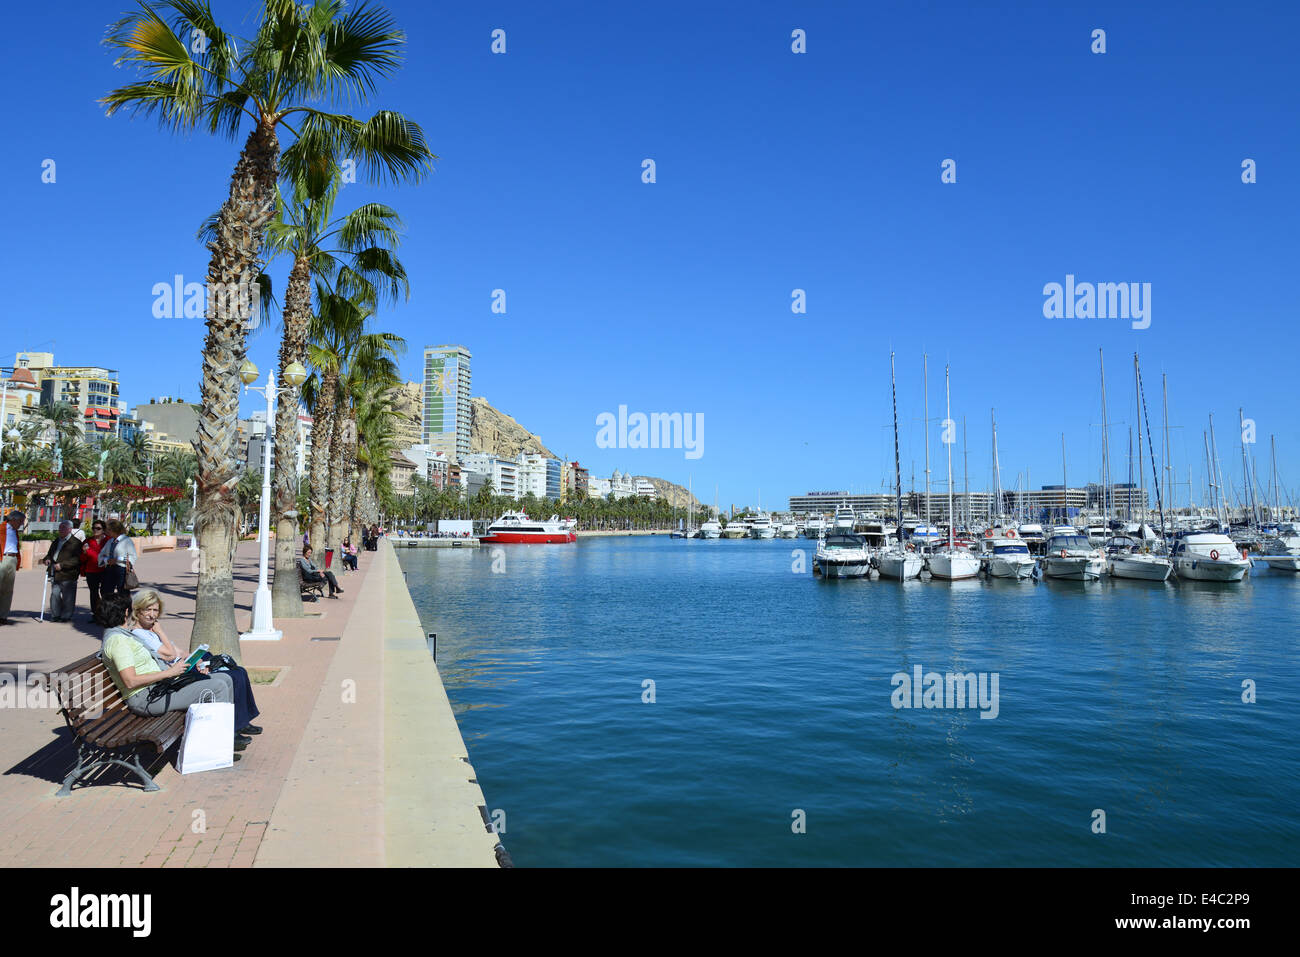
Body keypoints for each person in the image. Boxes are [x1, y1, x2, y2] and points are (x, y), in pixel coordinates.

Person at [96, 592, 251, 751]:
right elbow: (130, 681)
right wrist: (169, 673)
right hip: (145, 698)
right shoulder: (118, 641)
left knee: (225, 680)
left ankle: (226, 735)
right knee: (217, 686)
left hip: (157, 690)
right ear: (127, 612)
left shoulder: (120, 636)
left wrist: (170, 672)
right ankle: (219, 746)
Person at [129, 589, 262, 736]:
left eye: (155, 610)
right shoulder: (139, 634)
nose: (152, 615)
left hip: (185, 664)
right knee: (232, 677)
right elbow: (170, 654)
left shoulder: (150, 630)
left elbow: (178, 651)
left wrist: (196, 658)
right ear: (138, 610)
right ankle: (236, 726)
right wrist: (160, 632)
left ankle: (242, 721)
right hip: (177, 673)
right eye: (148, 610)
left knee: (239, 671)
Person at [41, 520, 84, 622]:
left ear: (69, 529)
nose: (60, 530)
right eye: (60, 528)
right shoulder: (56, 541)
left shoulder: (76, 543)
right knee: (54, 595)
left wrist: (63, 565)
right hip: (55, 573)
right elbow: (50, 554)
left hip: (68, 574)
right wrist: (46, 559)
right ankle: (55, 614)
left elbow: (77, 559)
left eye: (63, 528)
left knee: (68, 597)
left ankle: (66, 616)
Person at [0, 509, 27, 625]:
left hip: (12, 559)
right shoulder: (1, 528)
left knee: (8, 590)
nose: (21, 524)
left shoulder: (15, 532)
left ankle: (3, 616)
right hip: (2, 559)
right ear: (13, 520)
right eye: (20, 521)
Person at [98, 518, 137, 597]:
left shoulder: (126, 540)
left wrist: (117, 560)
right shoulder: (110, 541)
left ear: (114, 529)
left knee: (123, 592)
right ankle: (108, 608)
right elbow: (101, 554)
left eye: (108, 529)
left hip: (121, 570)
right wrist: (107, 560)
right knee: (106, 592)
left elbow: (132, 556)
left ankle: (126, 609)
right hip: (109, 569)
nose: (106, 531)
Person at [81, 520, 108, 620]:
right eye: (94, 528)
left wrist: (88, 552)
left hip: (105, 571)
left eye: (98, 528)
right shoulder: (88, 541)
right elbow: (82, 559)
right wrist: (84, 552)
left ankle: (105, 614)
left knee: (105, 592)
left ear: (103, 530)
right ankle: (96, 614)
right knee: (93, 593)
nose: (95, 530)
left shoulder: (108, 540)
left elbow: (100, 558)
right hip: (91, 571)